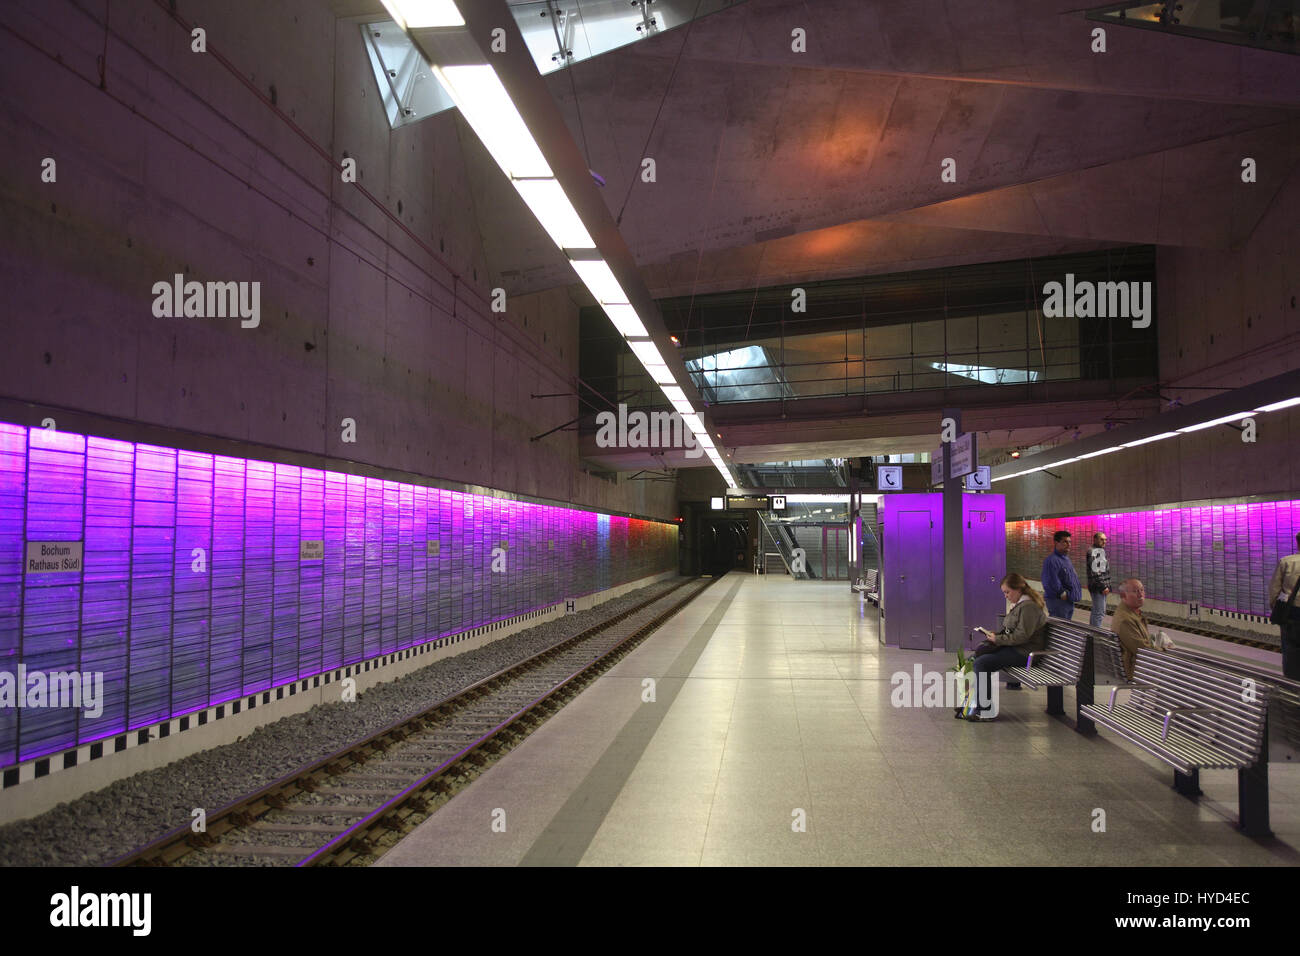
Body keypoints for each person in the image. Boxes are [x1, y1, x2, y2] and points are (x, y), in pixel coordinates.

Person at [960, 572, 1047, 721]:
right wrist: (996, 635)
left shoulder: (1028, 608)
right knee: (976, 658)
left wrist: (998, 639)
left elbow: (1022, 636)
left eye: (1007, 592)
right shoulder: (1020, 605)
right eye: (1004, 593)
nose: (1006, 596)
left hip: (1025, 653)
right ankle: (971, 705)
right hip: (1017, 648)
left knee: (982, 663)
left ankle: (985, 710)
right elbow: (1013, 631)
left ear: (1018, 589)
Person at [1110, 578, 1175, 680]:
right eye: (1135, 591)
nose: (1140, 594)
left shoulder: (1129, 613)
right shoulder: (1125, 620)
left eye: (1142, 590)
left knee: (1163, 638)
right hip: (1136, 668)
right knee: (1183, 671)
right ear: (1123, 596)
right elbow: (1143, 650)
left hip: (1139, 663)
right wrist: (1165, 651)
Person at [1267, 533, 1300, 679]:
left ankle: (1292, 682)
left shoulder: (1287, 561)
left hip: (1292, 612)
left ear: (1298, 544)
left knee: (1290, 648)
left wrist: (1276, 607)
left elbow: (1274, 588)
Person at [1041, 530, 1081, 620]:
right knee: (1060, 628)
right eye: (1065, 542)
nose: (1068, 544)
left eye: (1069, 542)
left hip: (1068, 601)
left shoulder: (1066, 559)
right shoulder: (1052, 560)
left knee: (1066, 626)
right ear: (1056, 543)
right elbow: (1049, 581)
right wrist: (1061, 593)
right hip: (1058, 601)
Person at [1086, 532, 1112, 628]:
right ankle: (1095, 634)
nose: (1104, 541)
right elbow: (1096, 572)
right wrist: (1103, 586)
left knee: (1097, 612)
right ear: (1095, 539)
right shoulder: (1095, 551)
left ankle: (1092, 632)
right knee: (1099, 613)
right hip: (1098, 587)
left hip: (1098, 587)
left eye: (1105, 539)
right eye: (1102, 539)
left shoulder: (1099, 551)